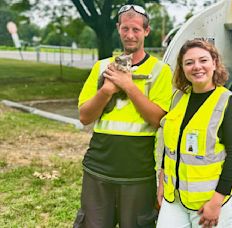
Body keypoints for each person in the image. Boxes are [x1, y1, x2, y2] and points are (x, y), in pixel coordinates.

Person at [73, 4, 173, 228]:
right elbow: (84, 117)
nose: (130, 35)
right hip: (98, 168)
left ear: (146, 31)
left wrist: (129, 86)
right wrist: (107, 90)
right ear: (118, 28)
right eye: (125, 28)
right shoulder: (101, 67)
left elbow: (157, 120)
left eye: (136, 29)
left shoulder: (161, 71)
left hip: (137, 172)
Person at [156, 39, 232, 228]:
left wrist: (216, 202)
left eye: (203, 60)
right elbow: (171, 144)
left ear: (214, 63)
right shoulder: (179, 98)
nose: (197, 67)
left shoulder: (229, 103)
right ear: (182, 68)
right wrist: (162, 182)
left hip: (211, 203)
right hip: (176, 199)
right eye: (189, 62)